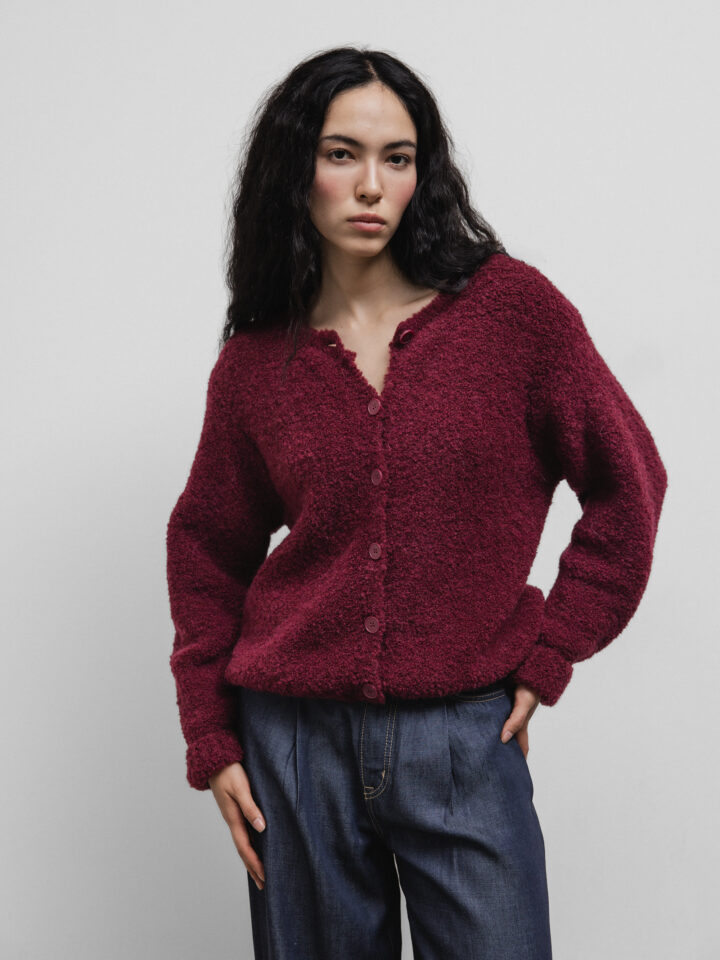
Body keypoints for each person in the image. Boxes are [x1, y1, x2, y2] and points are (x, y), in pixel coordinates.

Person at [165, 46, 668, 960]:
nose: (371, 185)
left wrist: (553, 650)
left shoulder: (514, 315)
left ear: (421, 173)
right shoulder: (257, 361)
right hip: (293, 741)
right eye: (341, 154)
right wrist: (212, 732)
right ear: (295, 170)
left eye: (396, 158)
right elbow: (207, 545)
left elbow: (628, 485)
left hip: (463, 731)